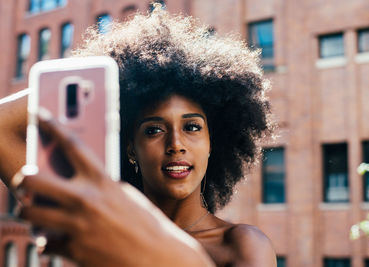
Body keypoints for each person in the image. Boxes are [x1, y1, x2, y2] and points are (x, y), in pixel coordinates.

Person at [0, 5, 276, 267]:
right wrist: (107, 76)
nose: (176, 145)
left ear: (211, 143)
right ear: (131, 149)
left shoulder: (242, 244)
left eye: (192, 127)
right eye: (154, 130)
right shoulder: (97, 228)